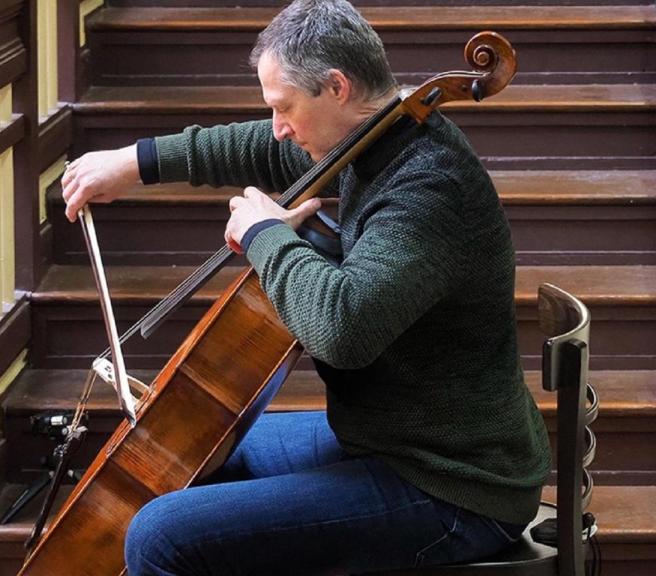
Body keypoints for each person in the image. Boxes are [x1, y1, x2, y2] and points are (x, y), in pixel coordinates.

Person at [61, 1, 551, 574]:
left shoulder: (428, 186)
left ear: (337, 87)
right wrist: (133, 162)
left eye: (284, 107)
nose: (279, 127)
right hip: (392, 438)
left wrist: (265, 233)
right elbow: (258, 146)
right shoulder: (373, 138)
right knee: (193, 449)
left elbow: (342, 330)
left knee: (159, 536)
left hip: (454, 486)